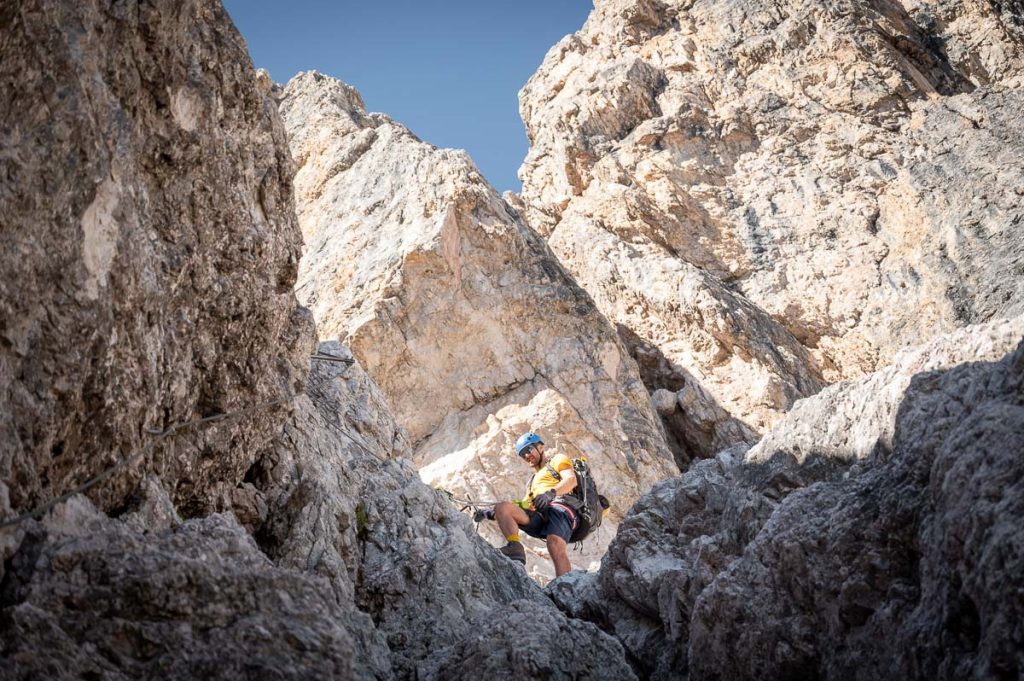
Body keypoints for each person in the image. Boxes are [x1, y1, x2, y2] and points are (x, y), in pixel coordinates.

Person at [488, 432, 579, 577]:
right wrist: (491, 512)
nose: (526, 456)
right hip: (540, 514)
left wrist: (552, 493)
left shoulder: (557, 460)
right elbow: (525, 505)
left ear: (540, 447)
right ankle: (515, 547)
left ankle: (565, 584)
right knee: (503, 507)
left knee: (554, 544)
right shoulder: (532, 481)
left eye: (528, 450)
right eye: (522, 454)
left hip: (560, 507)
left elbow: (571, 480)